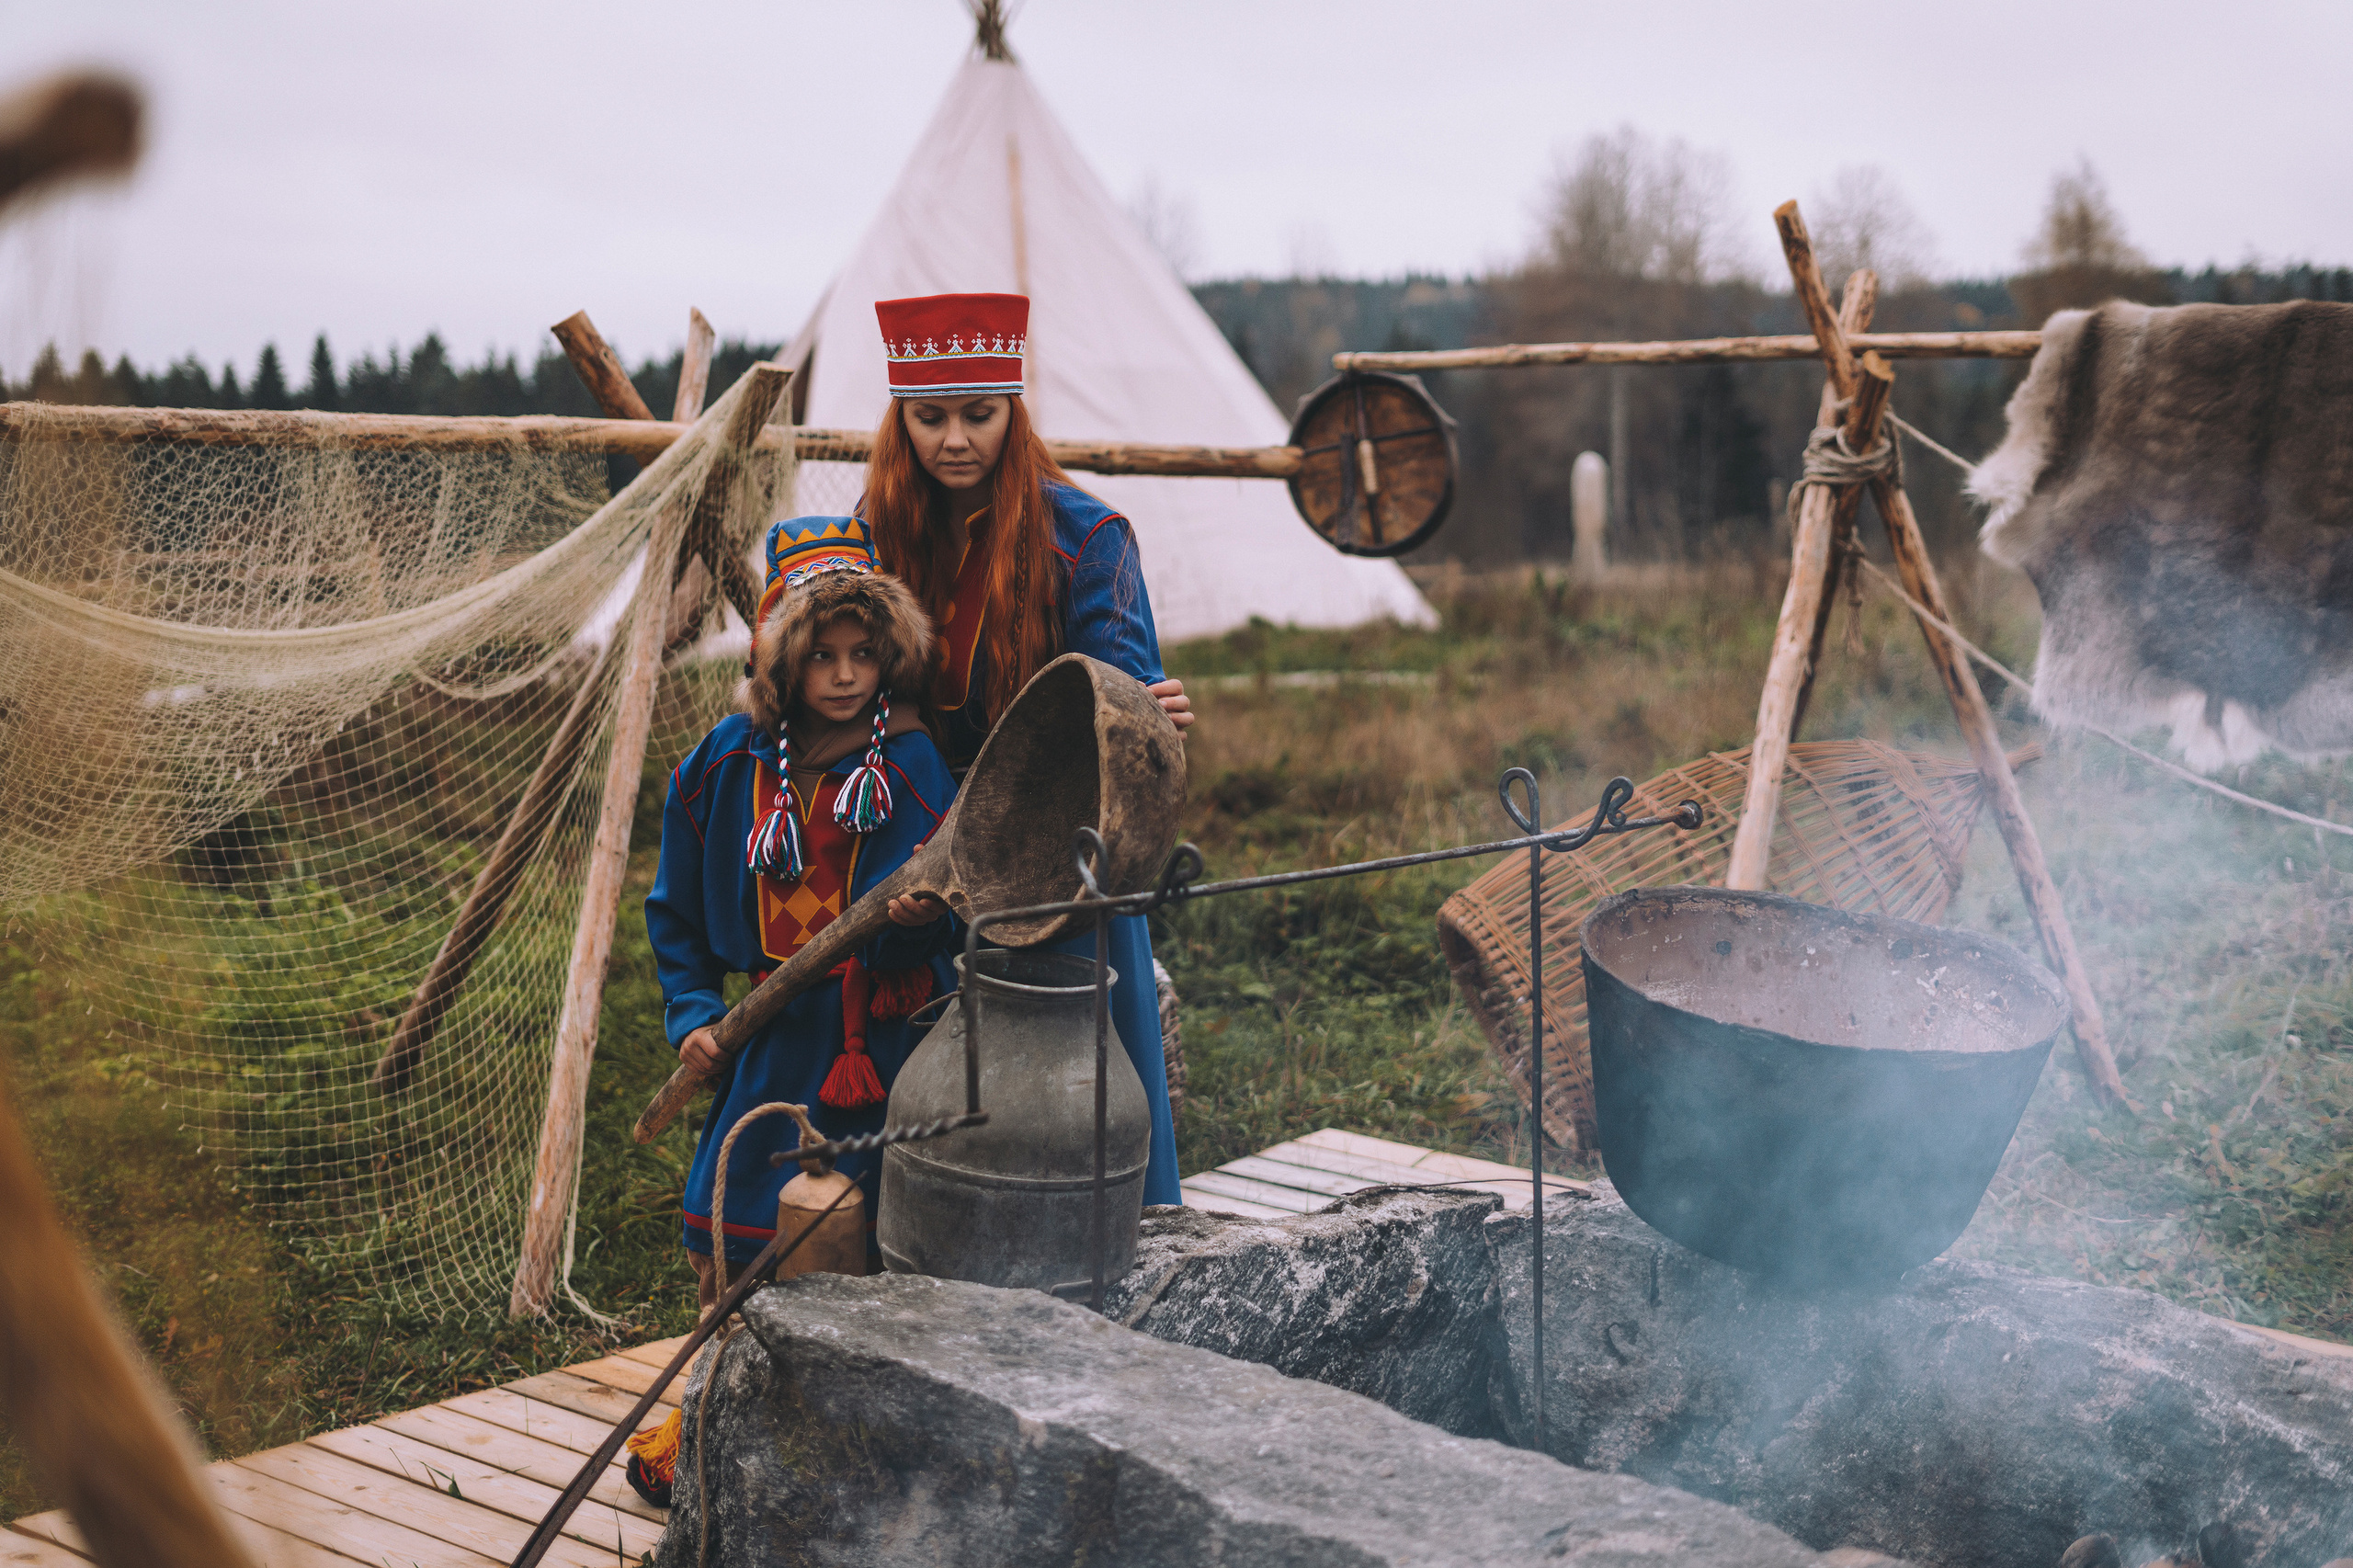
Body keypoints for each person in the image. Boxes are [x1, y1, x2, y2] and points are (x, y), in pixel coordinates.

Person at [761, 290, 1192, 1208]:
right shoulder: (873, 542)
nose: (954, 438)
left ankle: (1112, 1254)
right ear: (899, 421)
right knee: (930, 1105)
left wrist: (1143, 718)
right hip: (915, 852)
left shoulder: (1089, 541)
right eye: (929, 417)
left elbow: (1116, 720)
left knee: (1078, 1102)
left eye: (977, 414)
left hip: (1054, 859)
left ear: (1013, 411)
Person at [645, 524, 959, 1311]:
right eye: (822, 655)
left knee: (880, 1239)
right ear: (781, 654)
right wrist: (692, 1009)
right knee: (735, 1226)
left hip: (883, 1042)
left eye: (864, 652)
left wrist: (920, 923)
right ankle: (735, 1373)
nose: (847, 676)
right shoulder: (726, 760)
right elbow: (675, 910)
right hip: (771, 1030)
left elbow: (956, 912)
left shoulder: (913, 761)